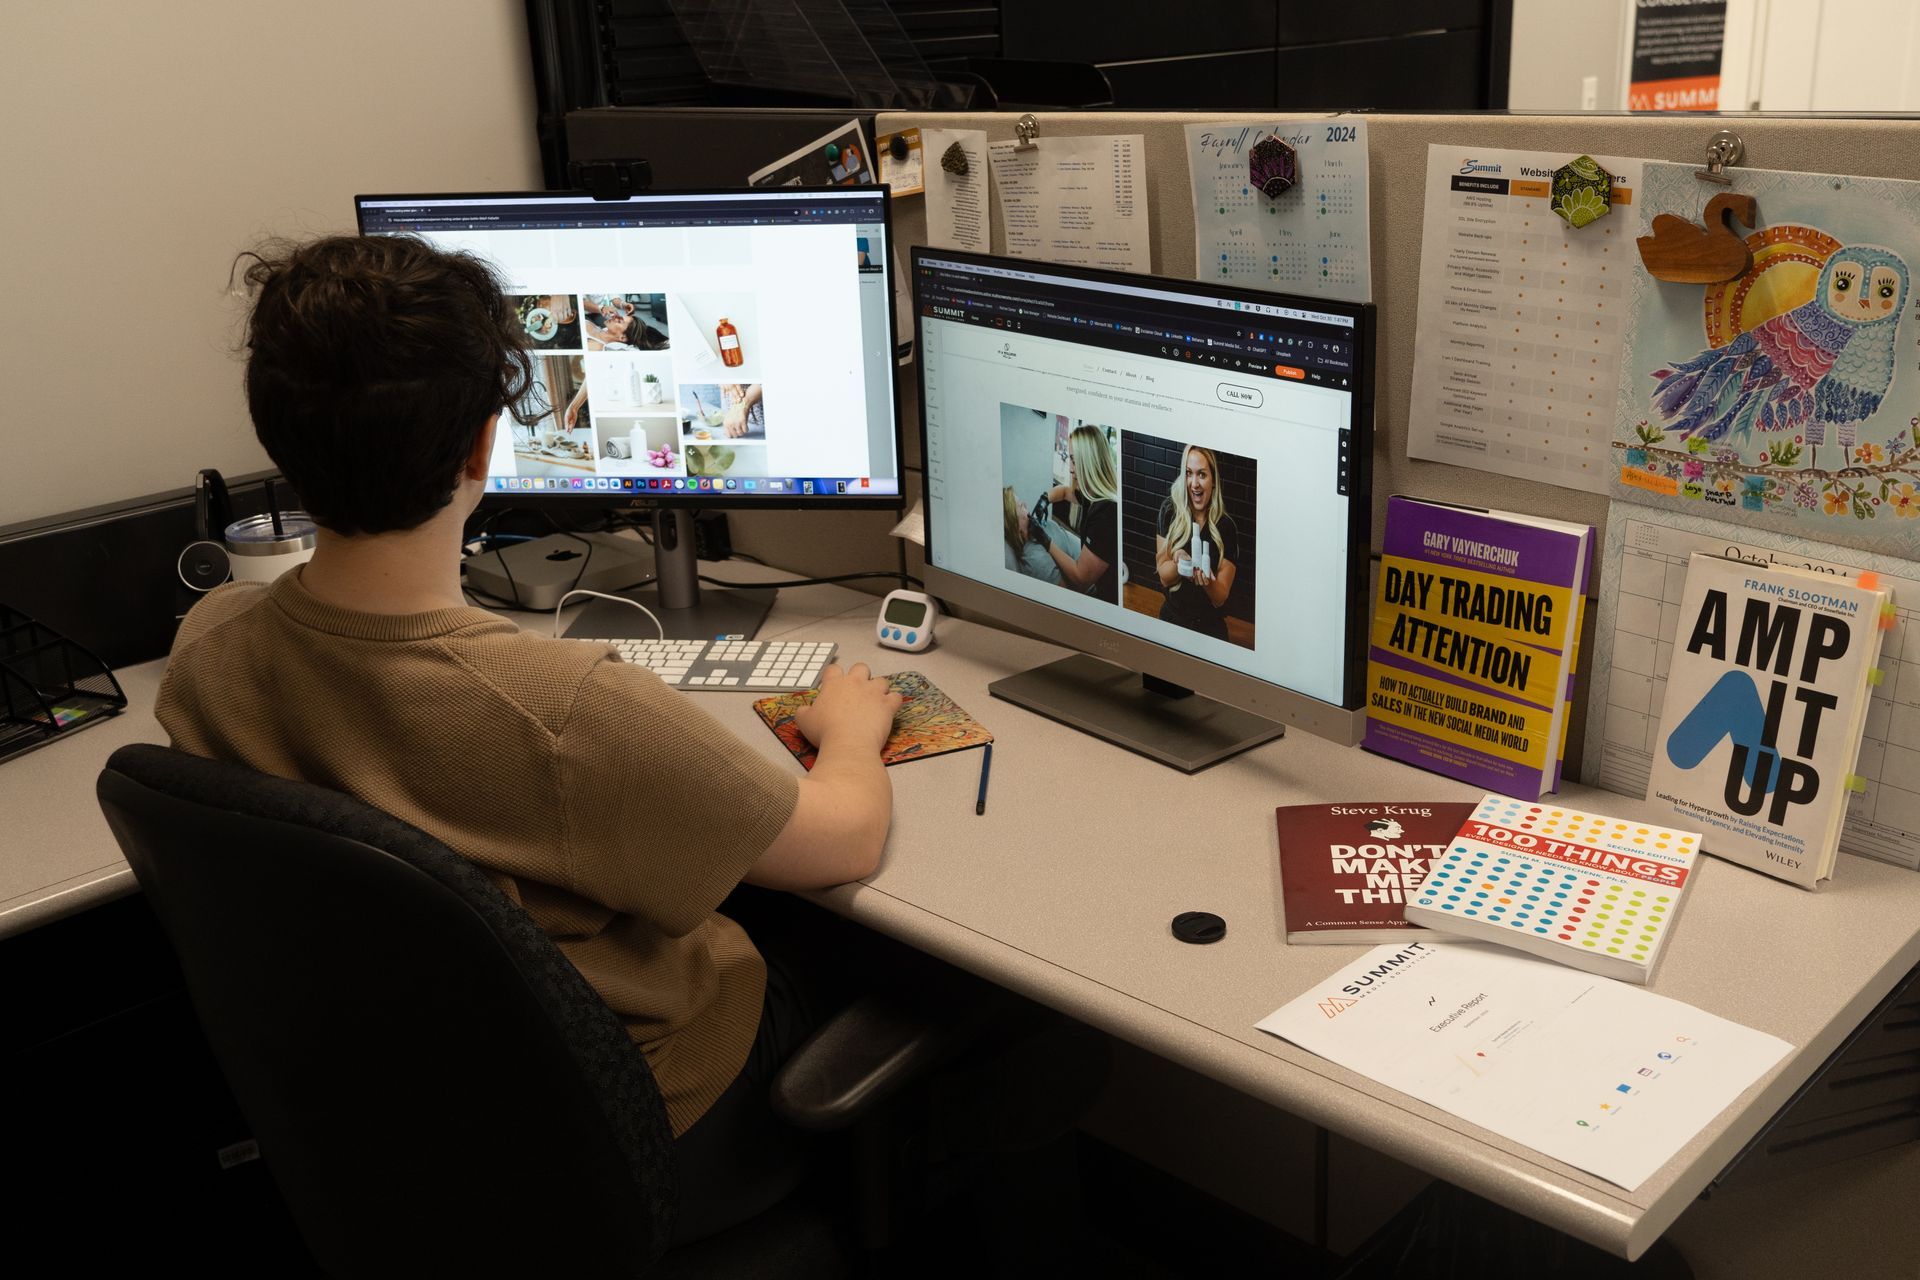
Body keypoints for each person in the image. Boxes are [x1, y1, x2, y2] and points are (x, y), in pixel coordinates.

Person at [156, 234, 904, 1243]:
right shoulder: (564, 708)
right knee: (937, 984)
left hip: (426, 1131)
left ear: (280, 441)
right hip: (653, 1129)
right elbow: (845, 838)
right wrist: (850, 730)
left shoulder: (205, 647)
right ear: (480, 448)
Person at [1154, 443, 1240, 641]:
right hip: (1172, 619)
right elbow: (1164, 578)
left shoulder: (1226, 527)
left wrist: (1207, 583)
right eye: (1188, 473)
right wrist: (1179, 562)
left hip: (1209, 627)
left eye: (1202, 474)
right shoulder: (1169, 511)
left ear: (1213, 480)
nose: (1194, 484)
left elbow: (1220, 598)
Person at [1029, 424, 1119, 602]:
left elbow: (1080, 577)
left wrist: (1046, 541)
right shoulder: (1091, 494)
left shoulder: (1107, 514)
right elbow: (1063, 492)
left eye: (1075, 461)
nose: (1070, 468)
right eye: (1070, 460)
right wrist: (1044, 499)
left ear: (1090, 462)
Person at [1001, 485, 1062, 585]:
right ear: (1016, 526)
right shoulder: (1035, 562)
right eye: (1021, 506)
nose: (1025, 504)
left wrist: (1045, 499)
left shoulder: (1036, 529)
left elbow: (1065, 491)